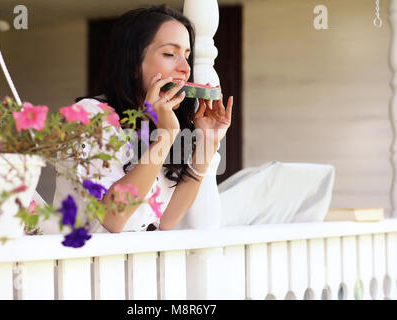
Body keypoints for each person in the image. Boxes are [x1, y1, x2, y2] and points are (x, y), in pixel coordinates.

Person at [40, 4, 335, 234]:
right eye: (170, 54)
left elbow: (166, 220)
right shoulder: (90, 117)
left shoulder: (163, 121)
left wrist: (206, 143)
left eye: (188, 56)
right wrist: (165, 136)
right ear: (133, 64)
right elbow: (114, 219)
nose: (184, 68)